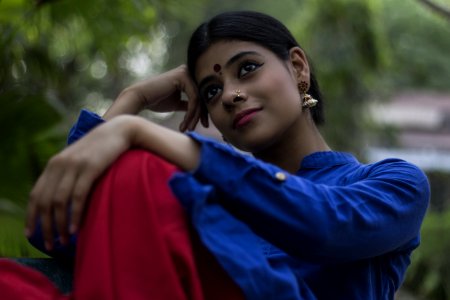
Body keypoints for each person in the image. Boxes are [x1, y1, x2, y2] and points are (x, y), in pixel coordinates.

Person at [0, 10, 429, 300]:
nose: (231, 95)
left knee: (140, 170)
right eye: (211, 90)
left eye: (247, 68)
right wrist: (133, 99)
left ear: (298, 67)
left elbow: (326, 224)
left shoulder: (393, 183)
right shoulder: (209, 191)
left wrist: (138, 136)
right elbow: (59, 233)